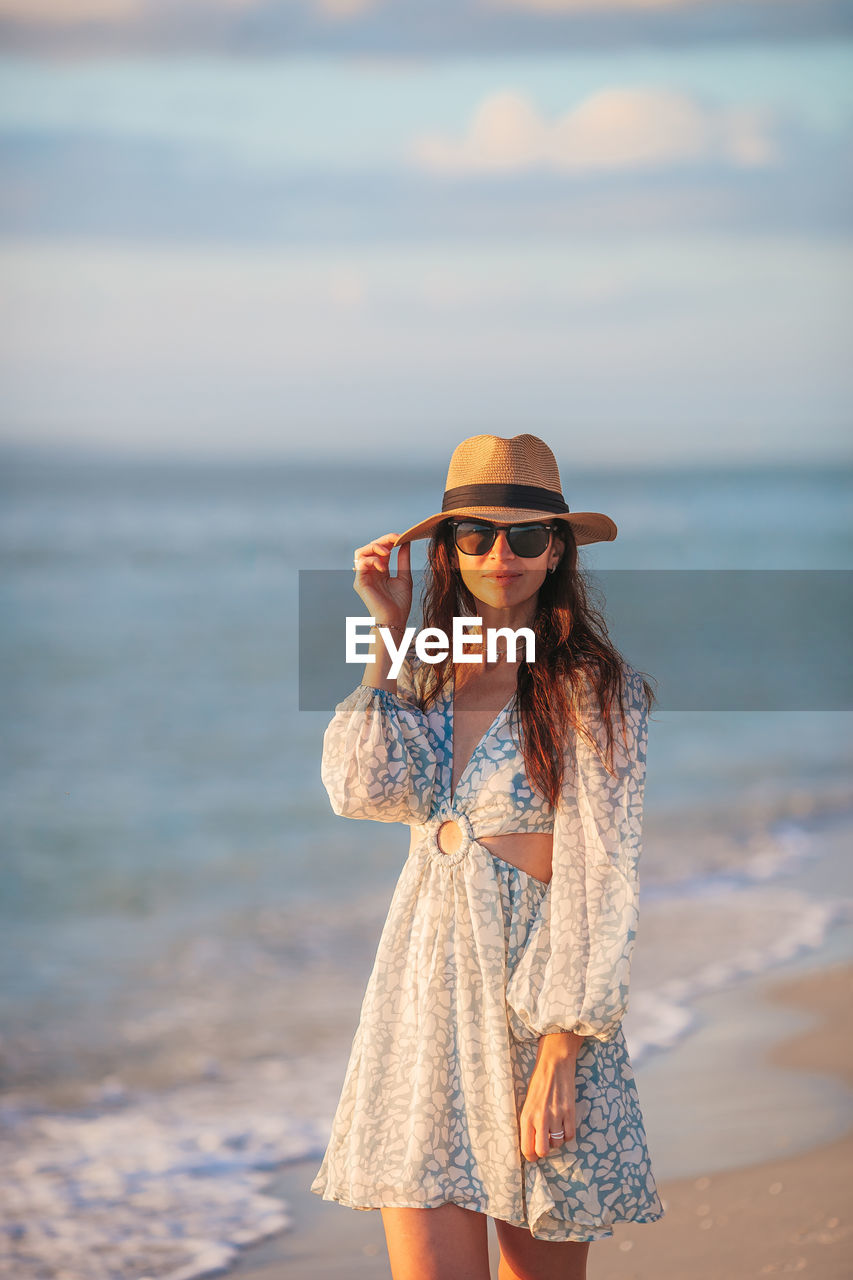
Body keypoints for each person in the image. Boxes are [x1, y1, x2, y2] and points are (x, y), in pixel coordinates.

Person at [310, 434, 664, 1280]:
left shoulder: (591, 687)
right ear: (448, 549)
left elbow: (600, 875)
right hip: (422, 1007)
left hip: (534, 1018)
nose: (500, 554)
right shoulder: (421, 675)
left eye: (526, 537)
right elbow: (359, 787)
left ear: (556, 553)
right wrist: (386, 629)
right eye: (474, 535)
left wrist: (558, 1052)